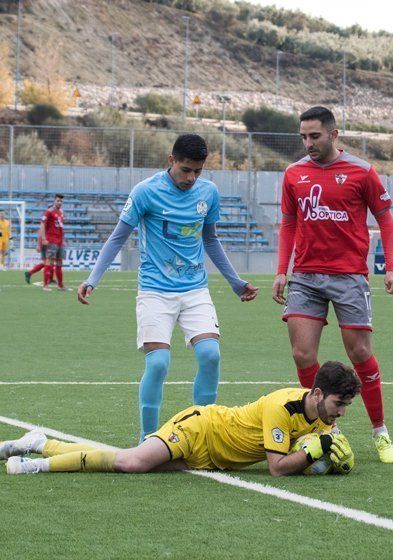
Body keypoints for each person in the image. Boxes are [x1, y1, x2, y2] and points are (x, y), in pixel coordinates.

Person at [77, 134, 259, 442]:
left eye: (197, 171)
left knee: (211, 355)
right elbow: (118, 237)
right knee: (159, 363)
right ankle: (149, 439)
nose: (191, 178)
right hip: (155, 291)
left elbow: (210, 240)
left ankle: (203, 434)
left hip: (195, 291)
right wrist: (92, 278)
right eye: (186, 169)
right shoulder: (146, 192)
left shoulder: (208, 193)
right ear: (170, 161)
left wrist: (235, 283)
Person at [272, 106, 393, 464]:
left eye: (314, 136)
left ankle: (380, 432)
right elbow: (288, 225)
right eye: (303, 137)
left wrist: (390, 268)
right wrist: (282, 270)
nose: (308, 143)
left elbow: (386, 221)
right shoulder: (293, 173)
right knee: (302, 354)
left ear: (333, 134)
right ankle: (324, 428)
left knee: (359, 354)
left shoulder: (361, 172)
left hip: (349, 276)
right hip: (306, 277)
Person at [0, 361, 359, 477]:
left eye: (344, 407)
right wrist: (316, 453)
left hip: (212, 459)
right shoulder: (283, 407)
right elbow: (279, 468)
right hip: (201, 430)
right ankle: (34, 466)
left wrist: (334, 458)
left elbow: (324, 448)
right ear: (316, 394)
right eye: (338, 404)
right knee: (133, 462)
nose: (339, 413)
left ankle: (40, 442)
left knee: (126, 458)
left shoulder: (323, 417)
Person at [25, 194, 67, 291]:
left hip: (60, 242)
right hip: (51, 240)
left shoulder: (61, 212)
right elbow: (42, 225)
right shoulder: (49, 212)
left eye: (61, 201)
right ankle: (45, 285)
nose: (59, 202)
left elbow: (61, 227)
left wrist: (63, 240)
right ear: (54, 201)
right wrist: (43, 239)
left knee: (59, 262)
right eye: (57, 201)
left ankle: (61, 286)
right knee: (49, 262)